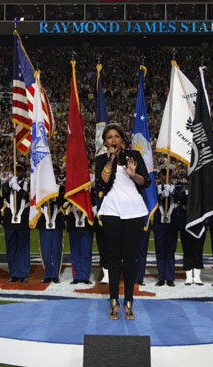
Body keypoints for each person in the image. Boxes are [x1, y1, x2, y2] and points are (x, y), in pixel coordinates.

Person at [95, 124, 151, 320]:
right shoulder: (101, 159)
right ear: (105, 142)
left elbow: (146, 182)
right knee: (113, 257)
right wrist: (110, 162)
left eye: (116, 136)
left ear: (122, 139)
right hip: (111, 212)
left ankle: (128, 301)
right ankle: (113, 301)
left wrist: (132, 173)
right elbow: (102, 184)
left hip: (134, 212)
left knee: (130, 258)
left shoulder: (133, 155)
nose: (113, 140)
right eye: (109, 137)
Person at [153, 165, 184, 287]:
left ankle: (170, 277)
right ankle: (161, 277)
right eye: (163, 174)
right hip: (159, 223)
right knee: (160, 250)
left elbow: (182, 198)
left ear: (172, 175)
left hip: (172, 223)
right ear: (160, 175)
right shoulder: (155, 188)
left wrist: (172, 192)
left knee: (170, 251)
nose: (166, 176)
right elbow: (152, 201)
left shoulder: (177, 187)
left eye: (168, 174)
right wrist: (161, 195)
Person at [1, 161, 30, 283]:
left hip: (23, 220)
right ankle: (14, 273)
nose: (17, 173)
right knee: (11, 248)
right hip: (9, 221)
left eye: (19, 170)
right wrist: (9, 185)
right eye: (15, 170)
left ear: (24, 172)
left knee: (23, 248)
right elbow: (1, 194)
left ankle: (23, 273)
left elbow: (30, 197)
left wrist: (18, 188)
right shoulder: (7, 184)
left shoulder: (29, 185)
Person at [36, 164, 66, 284]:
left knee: (57, 250)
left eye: (54, 173)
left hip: (56, 221)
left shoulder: (61, 188)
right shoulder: (39, 189)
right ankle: (47, 274)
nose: (52, 176)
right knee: (46, 250)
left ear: (57, 175)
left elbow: (61, 201)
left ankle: (56, 274)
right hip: (44, 222)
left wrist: (53, 196)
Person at [65, 190, 94, 285]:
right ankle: (77, 276)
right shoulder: (70, 189)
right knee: (75, 252)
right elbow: (64, 205)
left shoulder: (91, 189)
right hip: (73, 223)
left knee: (86, 252)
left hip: (86, 224)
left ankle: (85, 276)